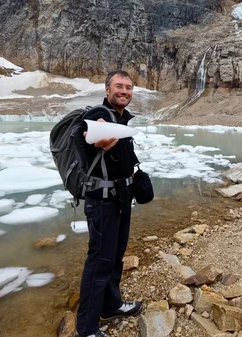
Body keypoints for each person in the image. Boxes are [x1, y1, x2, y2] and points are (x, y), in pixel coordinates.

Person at [75, 70, 143, 337]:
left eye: (128, 87)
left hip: (121, 200)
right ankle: (87, 328)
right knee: (99, 261)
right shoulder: (97, 116)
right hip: (102, 202)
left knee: (115, 257)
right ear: (107, 89)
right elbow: (83, 138)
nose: (124, 91)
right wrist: (93, 142)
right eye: (118, 86)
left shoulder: (123, 119)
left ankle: (112, 304)